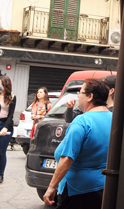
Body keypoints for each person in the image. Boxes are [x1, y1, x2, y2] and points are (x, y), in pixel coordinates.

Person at [43, 79, 113, 208]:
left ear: (89, 97)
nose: (78, 96)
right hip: (103, 187)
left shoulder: (82, 121)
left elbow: (67, 158)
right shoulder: (114, 119)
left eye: (80, 92)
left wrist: (51, 187)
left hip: (78, 190)